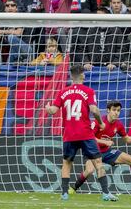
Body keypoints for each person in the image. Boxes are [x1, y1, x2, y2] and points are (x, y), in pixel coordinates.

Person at [45, 64, 118, 201]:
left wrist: (48, 108)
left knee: (67, 162)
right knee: (97, 161)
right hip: (85, 133)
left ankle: (65, 193)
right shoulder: (88, 91)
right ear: (83, 75)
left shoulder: (62, 92)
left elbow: (53, 111)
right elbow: (95, 110)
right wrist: (101, 123)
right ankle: (106, 193)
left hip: (69, 134)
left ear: (71, 76)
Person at [69, 100, 131, 195]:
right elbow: (88, 138)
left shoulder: (118, 125)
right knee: (89, 170)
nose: (116, 112)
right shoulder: (99, 122)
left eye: (118, 110)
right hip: (92, 151)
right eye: (114, 110)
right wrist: (104, 142)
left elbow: (127, 139)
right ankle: (73, 188)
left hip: (106, 152)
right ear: (108, 110)